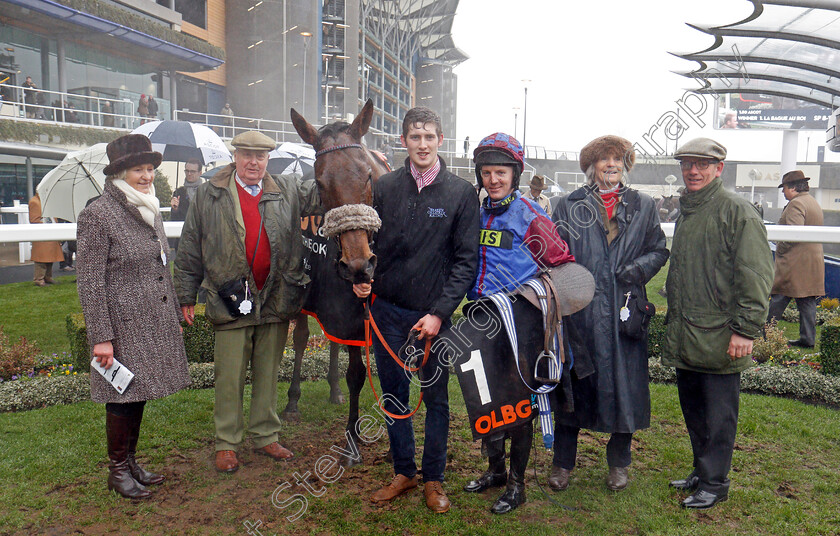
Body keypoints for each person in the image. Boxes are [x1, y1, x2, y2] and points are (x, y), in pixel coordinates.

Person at [352, 107, 479, 513]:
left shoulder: (460, 193)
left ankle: (434, 477)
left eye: (428, 137)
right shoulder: (385, 187)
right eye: (414, 137)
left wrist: (440, 313)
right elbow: (370, 245)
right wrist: (363, 277)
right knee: (393, 395)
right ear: (403, 141)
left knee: (436, 398)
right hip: (387, 312)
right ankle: (404, 471)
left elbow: (466, 261)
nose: (422, 144)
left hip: (433, 319)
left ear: (440, 139)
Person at [174, 131, 321, 473]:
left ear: (268, 159)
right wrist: (185, 293)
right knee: (230, 376)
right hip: (229, 297)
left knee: (269, 372)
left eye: (261, 156)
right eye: (247, 155)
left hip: (275, 295)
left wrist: (339, 155)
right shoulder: (210, 194)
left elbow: (323, 193)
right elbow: (190, 245)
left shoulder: (287, 189)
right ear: (235, 156)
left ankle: (266, 434)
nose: (254, 162)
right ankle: (227, 442)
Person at [463, 132, 574, 514]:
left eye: (501, 172)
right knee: (483, 400)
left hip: (519, 325)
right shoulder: (475, 215)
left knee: (515, 407)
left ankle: (517, 484)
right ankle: (494, 470)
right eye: (487, 172)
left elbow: (562, 266)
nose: (494, 180)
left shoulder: (530, 215)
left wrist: (531, 295)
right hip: (480, 320)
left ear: (515, 174)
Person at [550, 135, 669, 492]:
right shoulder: (569, 205)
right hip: (580, 314)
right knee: (572, 390)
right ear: (592, 167)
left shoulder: (644, 205)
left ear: (626, 166)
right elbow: (555, 254)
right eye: (604, 160)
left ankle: (619, 464)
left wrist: (635, 270)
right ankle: (562, 464)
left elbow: (659, 250)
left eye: (618, 159)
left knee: (625, 388)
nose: (611, 165)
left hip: (624, 311)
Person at [76, 134, 191, 499]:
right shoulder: (97, 215)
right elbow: (90, 282)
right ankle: (117, 471)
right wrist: (100, 336)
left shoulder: (148, 207)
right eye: (138, 170)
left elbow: (162, 267)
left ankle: (130, 462)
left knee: (136, 393)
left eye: (150, 169)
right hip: (121, 326)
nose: (146, 176)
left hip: (150, 320)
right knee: (121, 394)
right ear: (119, 173)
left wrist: (172, 313)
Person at [663, 137, 773, 509]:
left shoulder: (737, 211)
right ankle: (701, 469)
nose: (693, 170)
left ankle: (715, 482)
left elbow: (756, 275)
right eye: (687, 164)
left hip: (722, 335)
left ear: (718, 169)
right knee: (694, 409)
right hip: (690, 332)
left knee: (718, 415)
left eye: (702, 164)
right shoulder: (689, 211)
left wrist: (745, 329)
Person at [767, 170, 824, 348]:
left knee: (778, 298)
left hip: (794, 263)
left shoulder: (796, 204)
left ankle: (766, 333)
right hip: (811, 261)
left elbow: (793, 233)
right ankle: (808, 339)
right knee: (806, 301)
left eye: (783, 188)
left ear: (792, 188)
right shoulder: (812, 202)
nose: (783, 192)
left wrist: (780, 248)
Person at [28, 192, 65, 286]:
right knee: (41, 259)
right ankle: (39, 279)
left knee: (50, 258)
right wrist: (48, 225)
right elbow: (34, 220)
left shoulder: (47, 202)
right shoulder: (34, 202)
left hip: (51, 234)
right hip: (42, 235)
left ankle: (48, 277)